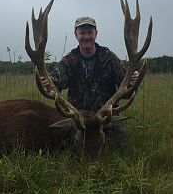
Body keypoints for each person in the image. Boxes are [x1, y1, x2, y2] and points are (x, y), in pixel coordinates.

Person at [40, 16, 139, 146]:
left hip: (104, 121)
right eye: (82, 33)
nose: (86, 36)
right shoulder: (69, 61)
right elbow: (55, 83)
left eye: (90, 32)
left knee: (116, 145)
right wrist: (47, 84)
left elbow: (126, 90)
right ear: (76, 35)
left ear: (96, 34)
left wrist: (132, 81)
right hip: (78, 121)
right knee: (63, 145)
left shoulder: (109, 58)